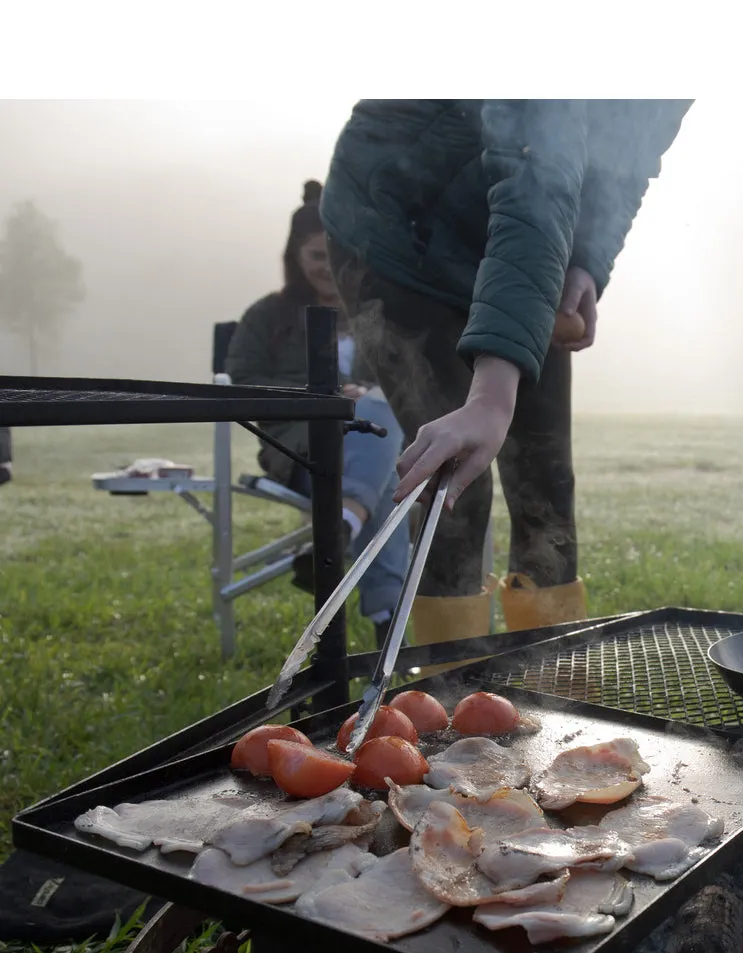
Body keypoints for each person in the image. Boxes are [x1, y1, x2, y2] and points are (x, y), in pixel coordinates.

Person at [318, 100, 692, 645]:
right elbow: (537, 181)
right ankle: (447, 698)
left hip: (531, 245)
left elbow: (628, 165)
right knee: (451, 482)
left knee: (547, 481)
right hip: (399, 235)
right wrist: (491, 397)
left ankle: (554, 691)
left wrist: (586, 258)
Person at [224, 182, 410, 647]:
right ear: (294, 255)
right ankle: (390, 622)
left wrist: (364, 398)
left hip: (373, 443)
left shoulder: (375, 315)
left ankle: (339, 527)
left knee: (379, 413)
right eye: (315, 255)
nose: (327, 268)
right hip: (303, 454)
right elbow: (241, 386)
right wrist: (322, 396)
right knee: (388, 475)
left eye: (336, 254)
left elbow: (409, 379)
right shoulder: (267, 316)